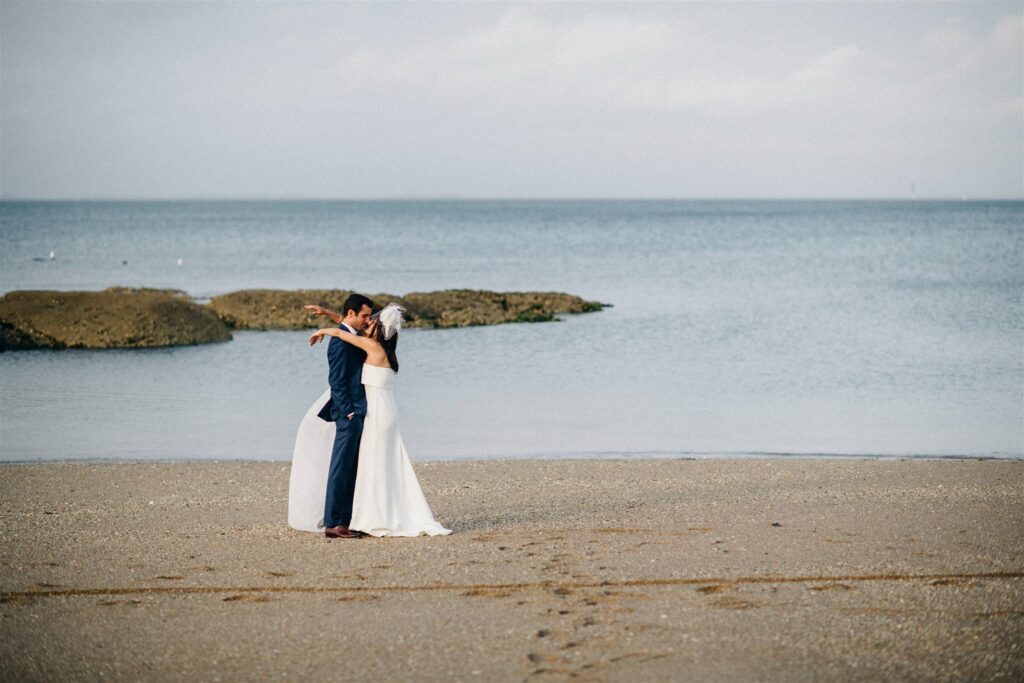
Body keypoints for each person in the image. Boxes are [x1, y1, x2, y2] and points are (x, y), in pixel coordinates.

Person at [290, 301, 451, 538]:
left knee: (370, 466)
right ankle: (365, 516)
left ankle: (351, 520)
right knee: (376, 466)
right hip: (383, 411)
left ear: (378, 331)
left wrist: (323, 329)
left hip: (374, 413)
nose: (368, 322)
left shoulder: (373, 348)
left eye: (372, 321)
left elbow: (341, 331)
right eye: (366, 317)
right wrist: (329, 314)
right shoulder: (383, 349)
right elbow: (349, 327)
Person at [287, 293, 373, 539]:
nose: (368, 320)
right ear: (351, 314)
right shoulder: (340, 341)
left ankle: (345, 520)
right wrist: (348, 412)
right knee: (340, 468)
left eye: (369, 315)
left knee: (351, 468)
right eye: (365, 315)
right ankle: (334, 523)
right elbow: (336, 381)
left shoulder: (351, 334)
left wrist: (326, 315)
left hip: (358, 410)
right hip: (349, 413)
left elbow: (347, 327)